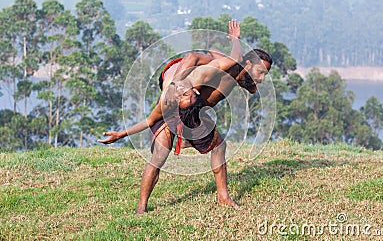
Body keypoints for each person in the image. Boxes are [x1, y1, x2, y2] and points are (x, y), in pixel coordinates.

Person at [98, 20, 273, 214]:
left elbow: (223, 56)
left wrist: (248, 74)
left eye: (265, 74)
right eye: (261, 72)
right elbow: (151, 118)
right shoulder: (187, 88)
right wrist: (120, 134)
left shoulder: (237, 73)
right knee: (160, 155)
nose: (262, 78)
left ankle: (223, 197)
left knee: (219, 146)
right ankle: (141, 208)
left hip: (194, 113)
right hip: (175, 108)